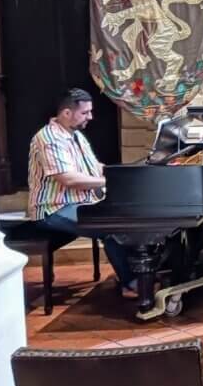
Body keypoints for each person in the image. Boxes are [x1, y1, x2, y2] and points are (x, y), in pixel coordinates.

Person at [27, 88, 135, 296]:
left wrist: (124, 174)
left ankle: (138, 272)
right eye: (85, 112)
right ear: (67, 113)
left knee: (127, 219)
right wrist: (110, 182)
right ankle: (131, 284)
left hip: (79, 203)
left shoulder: (76, 135)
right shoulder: (49, 138)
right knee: (112, 229)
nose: (90, 117)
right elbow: (68, 179)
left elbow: (94, 167)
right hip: (53, 209)